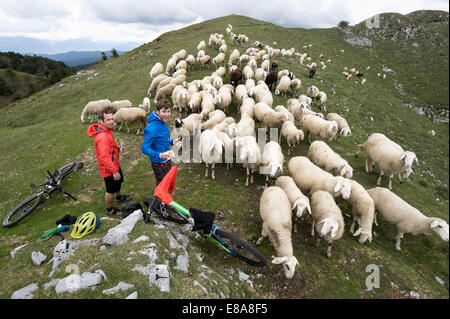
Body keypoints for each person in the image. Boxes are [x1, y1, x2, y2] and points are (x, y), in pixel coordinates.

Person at [87, 109, 132, 215]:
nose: (112, 121)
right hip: (109, 169)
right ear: (101, 121)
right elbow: (104, 157)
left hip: (114, 165)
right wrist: (114, 171)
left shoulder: (106, 131)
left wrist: (117, 148)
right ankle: (109, 210)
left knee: (117, 183)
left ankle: (119, 197)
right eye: (108, 120)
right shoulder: (102, 137)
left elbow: (110, 148)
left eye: (112, 119)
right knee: (110, 190)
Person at [142, 99, 182, 186]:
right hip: (159, 162)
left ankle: (163, 197)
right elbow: (144, 148)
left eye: (168, 111)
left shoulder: (162, 121)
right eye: (164, 111)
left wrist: (171, 141)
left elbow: (162, 137)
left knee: (166, 180)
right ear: (158, 111)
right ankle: (159, 199)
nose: (167, 114)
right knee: (162, 184)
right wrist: (159, 155)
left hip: (167, 157)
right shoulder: (152, 128)